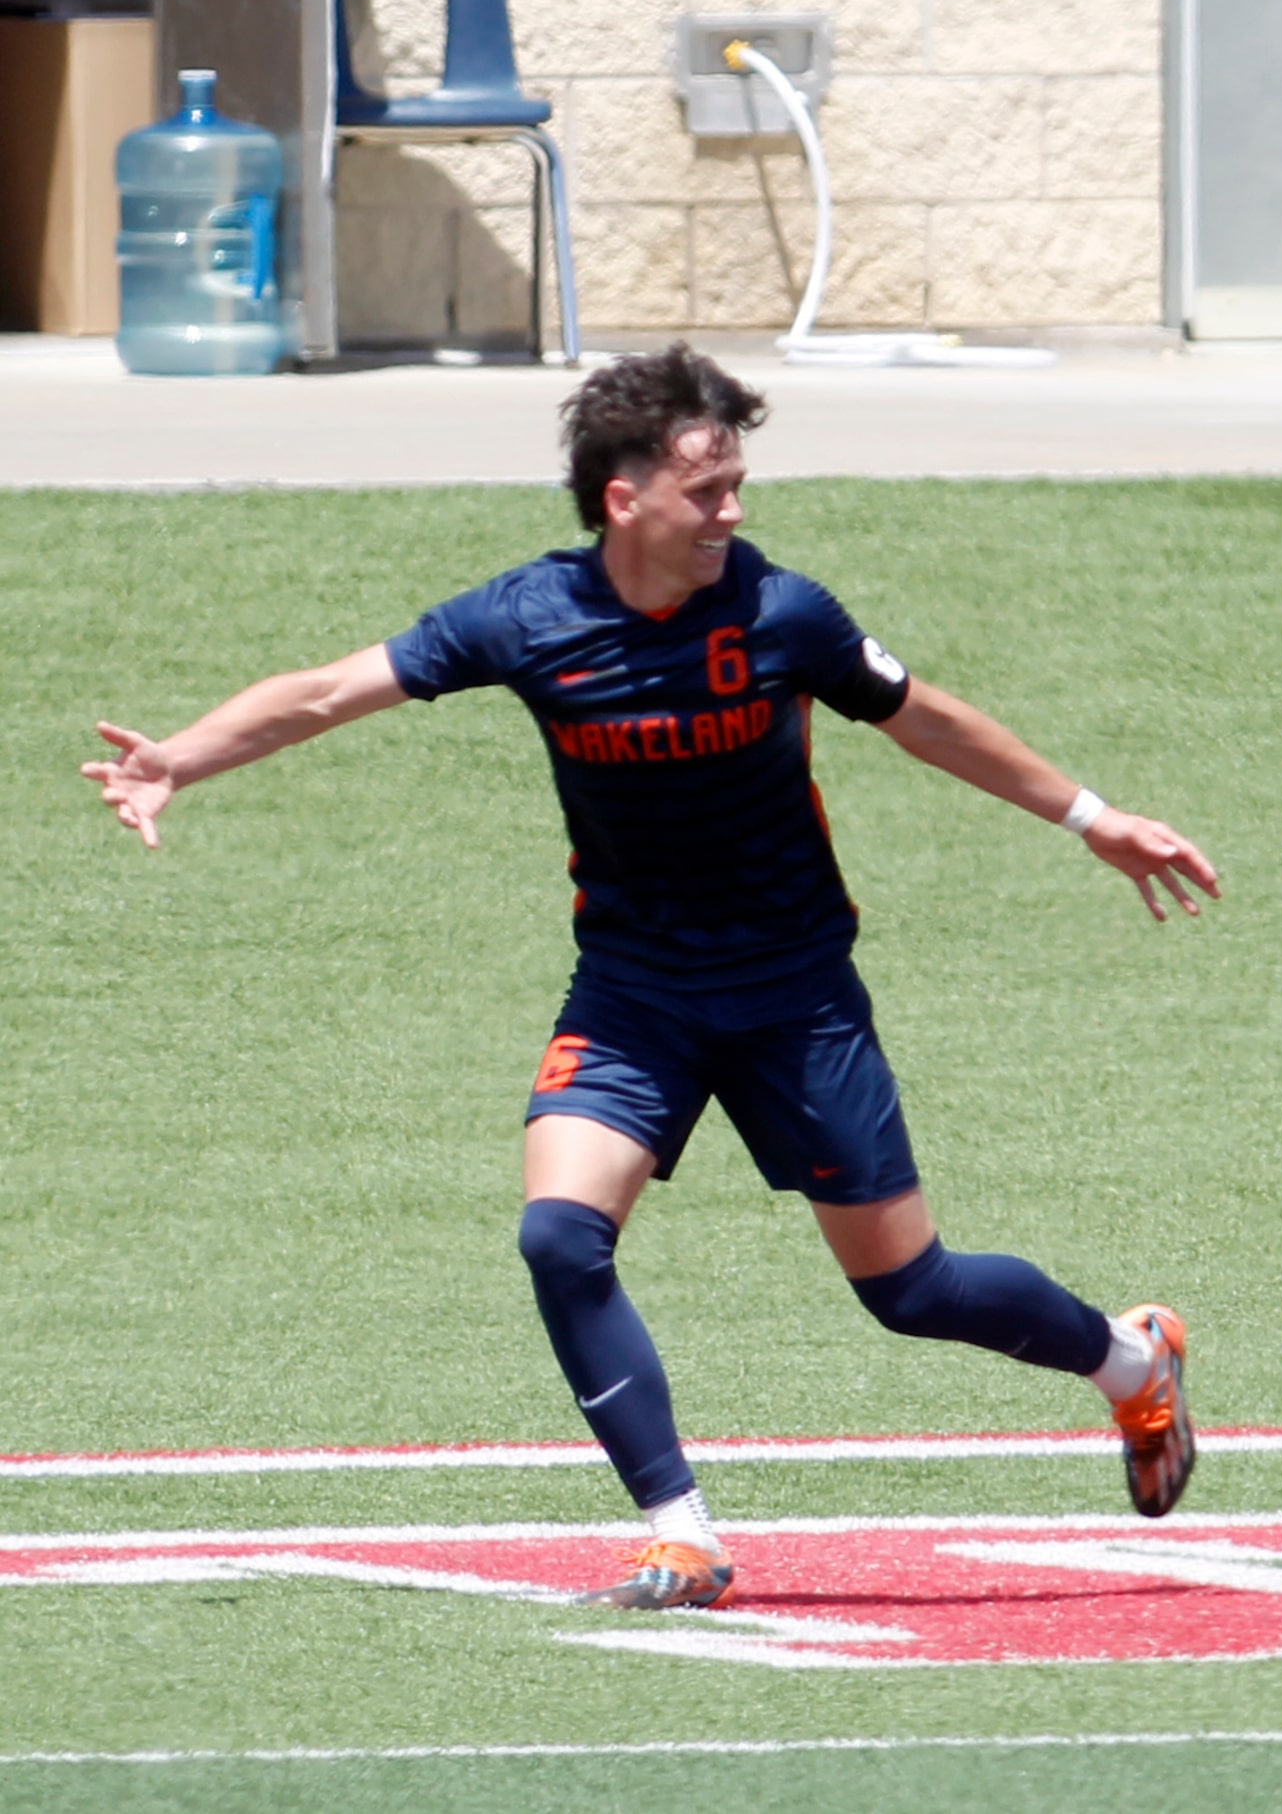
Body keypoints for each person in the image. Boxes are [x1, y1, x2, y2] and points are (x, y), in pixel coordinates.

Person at [83, 344, 1216, 1610]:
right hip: (635, 998)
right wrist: (178, 759)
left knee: (910, 1292)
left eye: (738, 485)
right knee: (559, 1238)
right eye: (707, 491)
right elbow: (326, 693)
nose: (733, 513)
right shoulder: (527, 618)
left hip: (795, 1000)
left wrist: (1092, 818)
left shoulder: (784, 613)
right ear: (624, 499)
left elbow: (927, 719)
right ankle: (681, 1527)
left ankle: (1130, 1361)